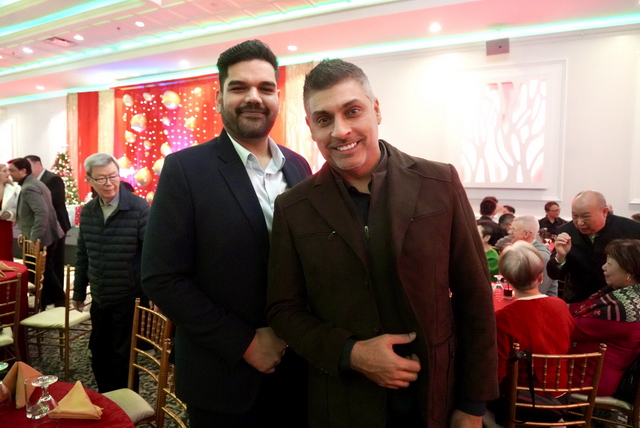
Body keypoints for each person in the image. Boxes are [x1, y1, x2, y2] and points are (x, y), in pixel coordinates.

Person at [266, 59, 498, 428]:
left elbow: (475, 296)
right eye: (324, 119)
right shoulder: (294, 207)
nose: (341, 130)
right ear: (310, 128)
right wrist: (351, 353)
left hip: (435, 396)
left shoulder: (439, 183)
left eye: (352, 111)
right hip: (345, 403)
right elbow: (283, 309)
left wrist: (473, 404)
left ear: (375, 109)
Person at [141, 40, 312, 428]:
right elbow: (161, 277)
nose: (254, 97)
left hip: (299, 371)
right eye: (239, 87)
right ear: (219, 98)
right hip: (225, 377)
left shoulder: (299, 166)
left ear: (277, 97)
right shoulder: (186, 169)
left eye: (265, 88)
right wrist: (245, 344)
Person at [72, 153, 150, 393]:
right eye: (101, 178)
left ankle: (127, 405)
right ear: (89, 180)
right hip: (100, 295)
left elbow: (151, 254)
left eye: (113, 176)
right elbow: (83, 254)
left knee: (123, 356)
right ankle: (106, 399)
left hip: (129, 295)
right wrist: (78, 291)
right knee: (98, 352)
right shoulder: (88, 211)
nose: (109, 183)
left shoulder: (138, 207)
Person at [489, 241, 574, 423]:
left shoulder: (504, 317)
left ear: (507, 279)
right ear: (541, 277)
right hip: (561, 394)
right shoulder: (560, 306)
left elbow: (498, 372)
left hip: (522, 400)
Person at [570, 239, 640, 396]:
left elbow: (572, 329)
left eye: (609, 263)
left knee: (522, 365)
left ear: (629, 273)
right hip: (584, 367)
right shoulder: (628, 295)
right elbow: (580, 308)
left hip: (589, 377)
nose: (604, 267)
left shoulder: (622, 309)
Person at [548, 191, 640, 303]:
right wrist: (560, 257)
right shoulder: (566, 231)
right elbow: (553, 274)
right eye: (575, 216)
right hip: (579, 300)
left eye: (586, 216)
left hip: (621, 300)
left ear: (604, 212)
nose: (580, 222)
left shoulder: (631, 230)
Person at [7, 158, 65, 307]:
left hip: (42, 238)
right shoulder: (34, 183)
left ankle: (59, 300)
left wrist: (34, 238)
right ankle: (49, 302)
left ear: (23, 171)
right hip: (46, 235)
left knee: (44, 272)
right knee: (45, 272)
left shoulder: (29, 187)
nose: (10, 173)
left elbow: (42, 213)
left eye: (12, 170)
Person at [25, 155, 71, 286]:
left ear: (37, 164)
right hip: (40, 226)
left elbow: (57, 200)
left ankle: (57, 292)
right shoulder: (30, 181)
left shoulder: (53, 179)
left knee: (55, 260)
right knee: (41, 261)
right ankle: (41, 289)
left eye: (29, 166)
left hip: (56, 226)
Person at [510, 215, 558, 296]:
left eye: (513, 230)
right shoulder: (519, 250)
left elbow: (539, 291)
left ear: (526, 234)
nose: (509, 232)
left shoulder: (541, 257)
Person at [0, 164, 20, 260]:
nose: (8, 173)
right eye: (4, 171)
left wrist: (10, 214)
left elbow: (18, 208)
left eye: (8, 171)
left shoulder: (14, 189)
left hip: (5, 227)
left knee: (5, 253)